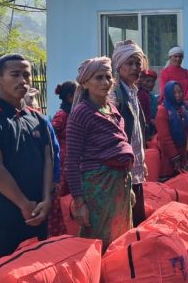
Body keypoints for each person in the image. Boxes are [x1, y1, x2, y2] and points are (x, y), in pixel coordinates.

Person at [0, 55, 53, 282]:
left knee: (29, 271)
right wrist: (24, 204)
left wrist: (46, 200)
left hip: (37, 211)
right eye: (15, 74)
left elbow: (48, 161)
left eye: (26, 75)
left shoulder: (38, 119)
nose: (23, 80)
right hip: (1, 213)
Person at [65, 57, 134, 252]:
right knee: (98, 238)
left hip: (119, 184)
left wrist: (127, 188)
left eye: (108, 77)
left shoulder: (111, 109)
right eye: (99, 78)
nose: (105, 82)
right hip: (98, 187)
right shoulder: (81, 113)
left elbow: (120, 144)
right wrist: (79, 202)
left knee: (120, 235)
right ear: (85, 82)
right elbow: (71, 161)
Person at [109, 40, 148, 226]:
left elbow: (137, 131)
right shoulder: (113, 94)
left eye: (138, 63)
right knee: (125, 219)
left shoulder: (132, 91)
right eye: (130, 63)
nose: (135, 68)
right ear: (118, 65)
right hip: (121, 167)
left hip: (134, 165)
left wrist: (142, 161)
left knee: (137, 216)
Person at [47, 81, 78, 237]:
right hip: (62, 165)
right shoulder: (62, 115)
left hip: (70, 163)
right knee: (59, 201)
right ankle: (57, 234)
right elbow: (50, 135)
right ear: (71, 97)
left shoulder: (73, 113)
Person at [156, 81, 188, 178]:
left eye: (180, 92)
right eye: (174, 93)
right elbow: (164, 137)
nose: (178, 95)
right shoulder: (163, 110)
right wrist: (175, 157)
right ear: (168, 94)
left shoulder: (186, 106)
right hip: (171, 156)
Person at [137, 69, 158, 137]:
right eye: (147, 81)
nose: (150, 84)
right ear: (141, 81)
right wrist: (150, 121)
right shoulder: (140, 95)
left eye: (153, 81)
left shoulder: (153, 97)